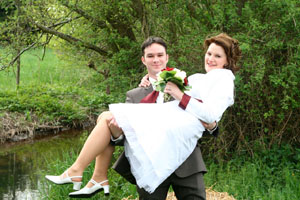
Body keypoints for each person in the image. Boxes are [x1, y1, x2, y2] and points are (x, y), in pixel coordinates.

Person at [45, 33, 240, 199]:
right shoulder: (137, 93)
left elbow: (205, 117)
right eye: (208, 54)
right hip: (151, 164)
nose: (210, 59)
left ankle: (88, 174)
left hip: (185, 164)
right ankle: (92, 174)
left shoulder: (183, 82)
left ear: (167, 57)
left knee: (105, 116)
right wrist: (119, 131)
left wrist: (212, 125)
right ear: (143, 60)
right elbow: (124, 138)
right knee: (106, 118)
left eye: (160, 55)